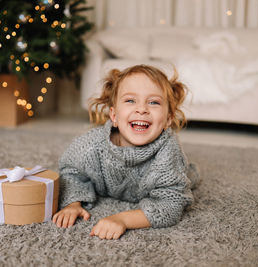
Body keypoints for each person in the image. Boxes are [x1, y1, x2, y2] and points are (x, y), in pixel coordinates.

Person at [52, 64, 199, 240]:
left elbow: (171, 205)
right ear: (113, 116)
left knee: (188, 179)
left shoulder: (168, 152)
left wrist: (123, 219)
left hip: (168, 175)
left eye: (153, 102)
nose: (142, 109)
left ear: (168, 119)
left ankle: (190, 170)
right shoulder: (91, 145)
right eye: (130, 100)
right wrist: (72, 204)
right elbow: (71, 172)